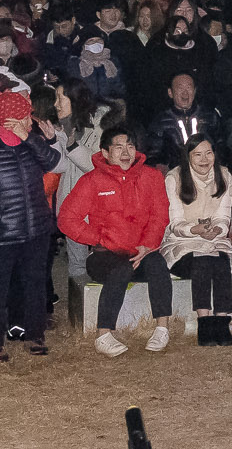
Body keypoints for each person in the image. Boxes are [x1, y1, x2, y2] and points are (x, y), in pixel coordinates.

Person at [0, 86, 63, 363]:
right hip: (2, 233)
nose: (30, 120)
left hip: (36, 227)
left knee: (35, 283)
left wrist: (28, 139)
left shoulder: (30, 140)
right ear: (10, 118)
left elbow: (53, 162)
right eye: (24, 116)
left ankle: (35, 334)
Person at [59, 126, 178, 356]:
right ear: (105, 152)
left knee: (157, 265)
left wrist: (148, 244)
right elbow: (67, 218)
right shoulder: (92, 180)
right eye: (119, 147)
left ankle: (162, 328)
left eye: (131, 146)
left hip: (141, 251)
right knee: (120, 270)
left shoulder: (151, 177)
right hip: (105, 255)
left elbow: (160, 214)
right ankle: (103, 334)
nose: (126, 152)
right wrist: (98, 238)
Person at [162, 136, 232, 345]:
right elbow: (174, 222)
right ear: (188, 157)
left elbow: (224, 215)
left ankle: (222, 322)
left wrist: (219, 229)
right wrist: (193, 229)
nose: (204, 159)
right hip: (181, 243)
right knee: (202, 260)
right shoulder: (174, 178)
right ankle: (204, 321)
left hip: (214, 239)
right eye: (197, 154)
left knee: (221, 260)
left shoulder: (224, 175)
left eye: (209, 153)